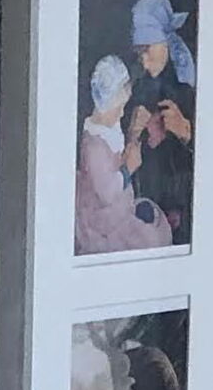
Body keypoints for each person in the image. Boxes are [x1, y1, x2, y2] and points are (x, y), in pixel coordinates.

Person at [72, 55, 173, 254]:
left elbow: (120, 156)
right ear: (105, 104)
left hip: (121, 208)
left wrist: (134, 134)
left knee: (154, 224)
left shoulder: (110, 127)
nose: (121, 113)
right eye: (119, 108)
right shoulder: (93, 146)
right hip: (103, 220)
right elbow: (107, 194)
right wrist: (128, 169)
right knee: (151, 240)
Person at [122, 0, 196, 240]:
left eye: (147, 49)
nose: (143, 61)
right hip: (150, 206)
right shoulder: (139, 86)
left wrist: (186, 132)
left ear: (163, 41)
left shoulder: (190, 84)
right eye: (138, 52)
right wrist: (136, 133)